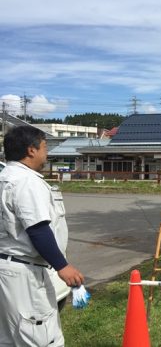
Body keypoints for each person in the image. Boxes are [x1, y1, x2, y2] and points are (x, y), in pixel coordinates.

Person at [0, 126, 84, 346]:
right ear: (31, 150)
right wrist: (62, 266)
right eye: (45, 147)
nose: (47, 153)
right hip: (25, 273)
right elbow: (37, 228)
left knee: (9, 338)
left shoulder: (4, 177)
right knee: (41, 338)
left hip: (6, 268)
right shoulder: (27, 181)